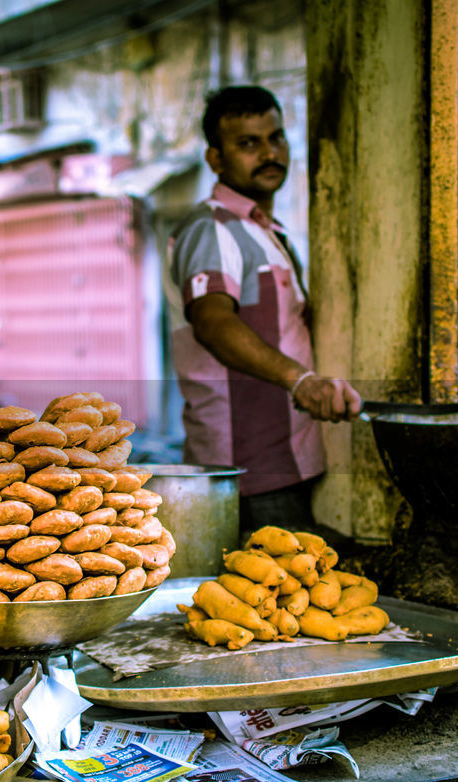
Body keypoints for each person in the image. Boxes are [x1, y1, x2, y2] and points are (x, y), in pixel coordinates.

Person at [167, 86, 363, 533]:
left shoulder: (268, 232)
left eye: (275, 138)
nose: (269, 153)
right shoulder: (212, 228)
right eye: (248, 143)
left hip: (291, 457)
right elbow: (213, 322)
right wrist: (302, 382)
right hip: (248, 468)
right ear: (215, 159)